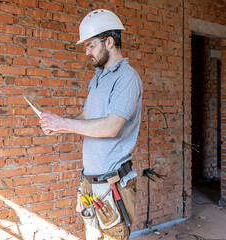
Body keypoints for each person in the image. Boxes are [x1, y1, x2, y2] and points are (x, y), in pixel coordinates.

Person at [40, 9, 143, 240]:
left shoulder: (127, 78)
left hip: (113, 185)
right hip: (90, 183)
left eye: (91, 45)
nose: (86, 52)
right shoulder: (97, 78)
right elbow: (87, 117)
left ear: (109, 41)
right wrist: (58, 125)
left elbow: (110, 127)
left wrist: (64, 122)